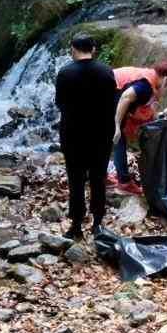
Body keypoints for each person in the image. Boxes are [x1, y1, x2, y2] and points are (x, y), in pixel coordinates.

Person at [54, 34, 116, 239]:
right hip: (101, 134)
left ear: (73, 49)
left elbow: (60, 103)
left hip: (73, 134)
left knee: (76, 179)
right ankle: (98, 222)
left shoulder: (65, 73)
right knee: (98, 179)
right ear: (94, 49)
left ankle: (76, 224)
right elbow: (111, 103)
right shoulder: (106, 72)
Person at [110, 61, 167, 193]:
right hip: (104, 92)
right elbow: (126, 97)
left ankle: (102, 175)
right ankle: (124, 182)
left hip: (108, 91)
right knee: (118, 138)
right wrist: (116, 124)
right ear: (166, 80)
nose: (166, 90)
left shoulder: (149, 77)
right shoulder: (146, 86)